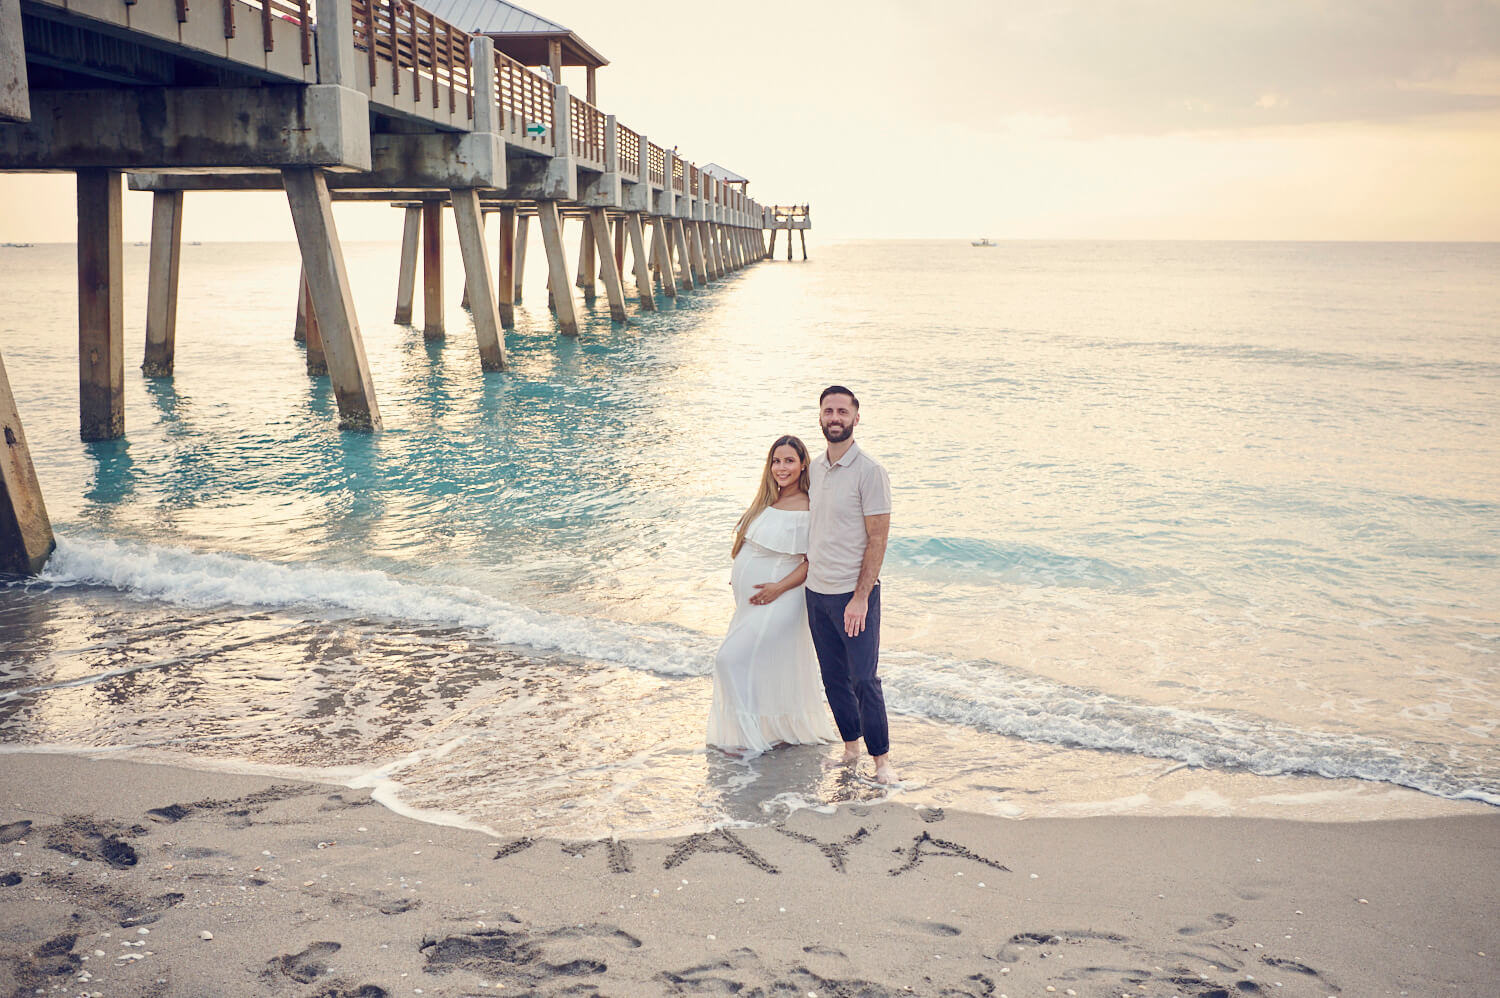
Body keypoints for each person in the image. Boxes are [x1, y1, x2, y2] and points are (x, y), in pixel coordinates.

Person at [706, 435, 839, 755]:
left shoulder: (810, 505)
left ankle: (752, 736)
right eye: (776, 461)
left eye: (789, 461)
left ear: (803, 463)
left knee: (729, 660)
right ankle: (764, 734)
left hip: (784, 598)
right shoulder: (766, 500)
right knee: (762, 664)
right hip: (752, 603)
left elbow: (812, 563)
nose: (782, 467)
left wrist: (778, 587)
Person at [805, 386, 896, 784]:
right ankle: (850, 749)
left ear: (856, 418)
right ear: (820, 417)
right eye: (829, 411)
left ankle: (882, 762)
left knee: (864, 679)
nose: (835, 417)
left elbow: (878, 538)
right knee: (832, 678)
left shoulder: (870, 471)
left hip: (853, 595)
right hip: (815, 592)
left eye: (843, 411)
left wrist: (861, 597)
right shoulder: (813, 468)